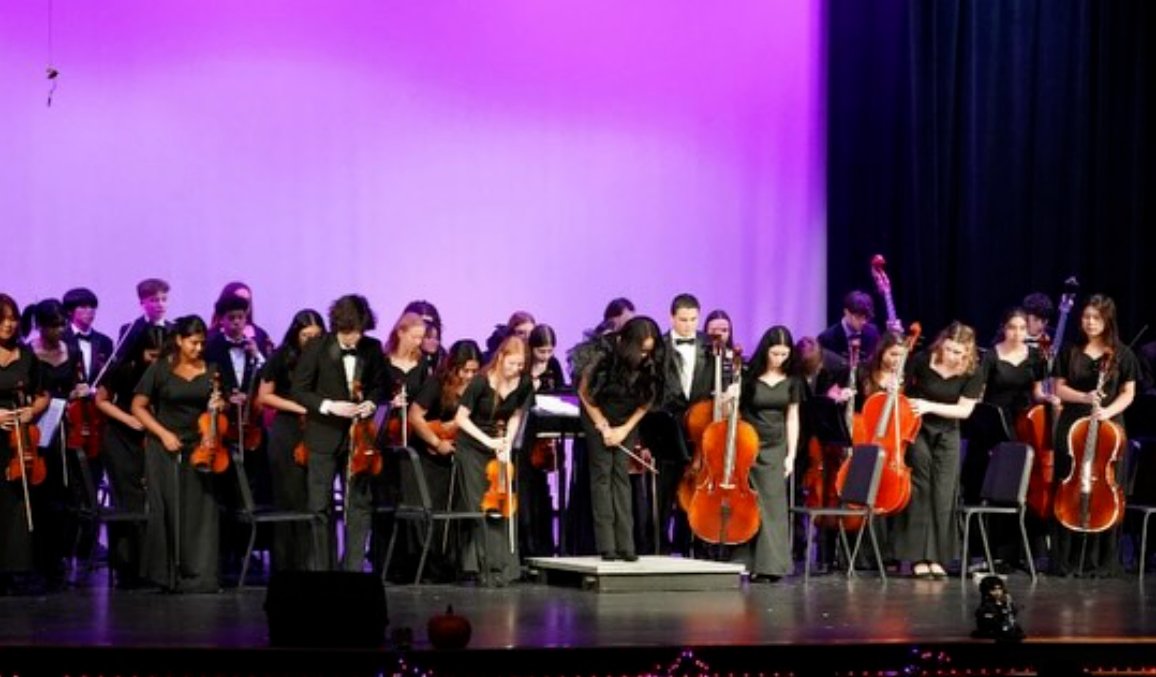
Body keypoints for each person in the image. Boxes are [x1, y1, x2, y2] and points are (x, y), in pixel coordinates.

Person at [291, 295, 389, 572]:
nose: (353, 339)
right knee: (320, 507)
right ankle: (323, 569)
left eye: (358, 332)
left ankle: (353, 569)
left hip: (359, 438)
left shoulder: (372, 347)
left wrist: (370, 402)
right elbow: (299, 389)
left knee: (358, 504)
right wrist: (329, 406)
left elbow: (380, 386)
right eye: (348, 333)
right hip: (323, 435)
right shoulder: (317, 347)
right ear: (337, 326)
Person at [131, 315, 224, 593]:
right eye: (193, 343)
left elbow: (222, 410)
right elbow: (138, 406)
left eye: (202, 343)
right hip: (165, 446)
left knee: (201, 511)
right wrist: (163, 434)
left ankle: (200, 575)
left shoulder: (212, 369)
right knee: (168, 508)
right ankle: (168, 575)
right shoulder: (161, 368)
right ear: (180, 341)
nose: (198, 349)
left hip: (200, 446)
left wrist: (219, 405)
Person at [1051, 295, 1138, 578]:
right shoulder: (1069, 351)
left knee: (1105, 486)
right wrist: (1085, 397)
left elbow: (1128, 393)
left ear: (1107, 321)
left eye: (1096, 318)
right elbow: (1059, 389)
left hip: (1107, 426)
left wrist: (1106, 411)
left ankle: (1101, 561)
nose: (1090, 322)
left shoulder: (1122, 354)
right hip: (1073, 425)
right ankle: (1065, 560)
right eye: (1086, 316)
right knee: (1070, 483)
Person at [893, 322, 984, 579]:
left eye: (960, 353)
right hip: (917, 429)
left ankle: (938, 557)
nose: (954, 357)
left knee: (944, 492)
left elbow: (964, 411)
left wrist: (928, 405)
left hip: (947, 432)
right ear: (942, 344)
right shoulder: (922, 360)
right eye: (950, 350)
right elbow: (902, 391)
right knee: (921, 489)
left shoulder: (973, 371)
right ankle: (917, 557)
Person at [578, 317, 664, 562]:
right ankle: (607, 545)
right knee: (602, 474)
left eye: (649, 350)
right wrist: (603, 427)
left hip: (626, 417)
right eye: (642, 350)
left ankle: (626, 545)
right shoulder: (603, 353)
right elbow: (585, 392)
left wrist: (625, 430)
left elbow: (648, 400)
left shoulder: (651, 362)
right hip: (598, 412)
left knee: (621, 476)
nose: (646, 355)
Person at [453, 335, 533, 586]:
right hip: (474, 447)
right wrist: (488, 443)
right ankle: (487, 568)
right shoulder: (480, 382)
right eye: (512, 364)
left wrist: (507, 442)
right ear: (500, 358)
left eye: (520, 365)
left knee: (502, 505)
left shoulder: (524, 383)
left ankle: (506, 568)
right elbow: (461, 419)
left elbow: (516, 415)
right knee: (483, 507)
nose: (516, 370)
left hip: (499, 447)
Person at [94, 324, 166, 589]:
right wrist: (129, 418)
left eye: (160, 355)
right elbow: (101, 400)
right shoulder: (123, 369)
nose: (155, 360)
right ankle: (127, 565)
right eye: (151, 355)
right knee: (129, 499)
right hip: (120, 440)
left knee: (150, 498)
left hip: (148, 439)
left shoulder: (164, 372)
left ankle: (151, 564)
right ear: (140, 351)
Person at [405, 339, 483, 581]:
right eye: (464, 370)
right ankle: (431, 567)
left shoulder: (478, 387)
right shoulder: (436, 384)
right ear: (453, 367)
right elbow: (415, 416)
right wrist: (437, 442)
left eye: (474, 370)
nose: (469, 375)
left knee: (460, 510)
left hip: (460, 456)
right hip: (432, 456)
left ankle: (457, 566)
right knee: (434, 513)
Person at [255, 309, 326, 573]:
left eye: (317, 335)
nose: (311, 340)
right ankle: (289, 564)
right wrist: (300, 407)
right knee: (290, 495)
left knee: (316, 495)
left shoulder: (328, 357)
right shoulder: (282, 356)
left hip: (318, 428)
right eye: (306, 335)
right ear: (296, 335)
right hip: (288, 428)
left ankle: (318, 562)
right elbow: (265, 396)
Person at [734, 326, 802, 581]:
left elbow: (792, 418)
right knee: (751, 504)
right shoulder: (749, 377)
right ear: (766, 351)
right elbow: (736, 414)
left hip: (776, 447)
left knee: (773, 505)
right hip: (751, 445)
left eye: (784, 354)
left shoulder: (792, 381)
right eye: (775, 353)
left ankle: (771, 565)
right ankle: (747, 561)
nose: (780, 359)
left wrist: (791, 455)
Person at [0, 294, 50, 595]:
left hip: (18, 439)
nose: (8, 324)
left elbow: (42, 393)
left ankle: (16, 569)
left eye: (13, 318)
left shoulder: (26, 355)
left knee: (18, 504)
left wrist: (34, 410)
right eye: (2, 318)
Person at [817, 290, 881, 362]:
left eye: (866, 318)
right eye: (858, 317)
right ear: (846, 312)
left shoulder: (872, 333)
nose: (863, 322)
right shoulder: (826, 339)